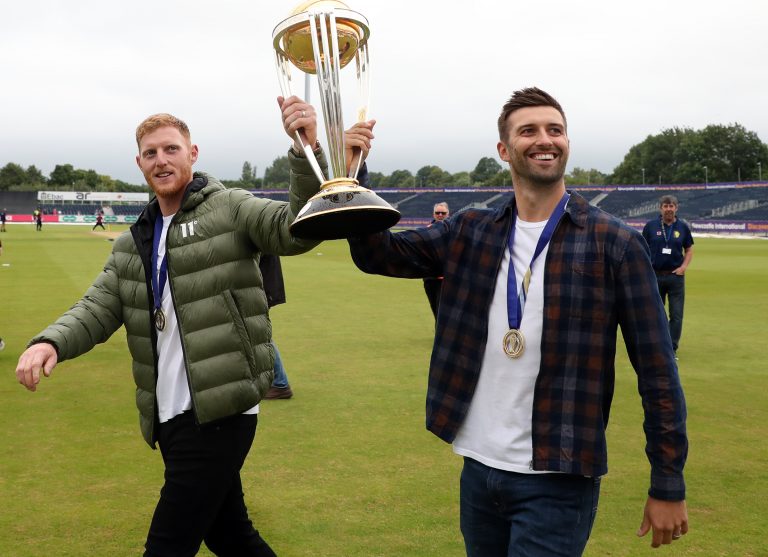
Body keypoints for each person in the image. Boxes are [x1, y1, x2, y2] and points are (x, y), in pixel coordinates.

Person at [348, 87, 688, 556]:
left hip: (558, 478)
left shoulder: (617, 244)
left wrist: (667, 481)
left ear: (567, 142)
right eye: (528, 131)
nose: (544, 140)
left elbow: (657, 371)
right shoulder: (472, 229)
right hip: (479, 469)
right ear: (505, 150)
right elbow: (378, 253)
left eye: (555, 130)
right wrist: (351, 171)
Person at [15, 95, 332, 557]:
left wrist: (306, 151)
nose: (161, 160)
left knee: (166, 547)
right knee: (230, 535)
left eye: (170, 149)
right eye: (150, 153)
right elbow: (100, 305)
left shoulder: (231, 208)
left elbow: (297, 229)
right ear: (140, 163)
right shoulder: (135, 238)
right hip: (168, 416)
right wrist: (51, 342)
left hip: (220, 410)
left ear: (193, 153)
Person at [642, 196, 694, 356]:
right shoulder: (651, 226)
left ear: (676, 208)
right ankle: (655, 345)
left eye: (671, 206)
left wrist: (683, 267)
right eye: (666, 206)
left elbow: (689, 249)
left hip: (675, 277)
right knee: (654, 313)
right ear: (660, 208)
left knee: (676, 315)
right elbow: (642, 248)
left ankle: (671, 349)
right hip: (655, 276)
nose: (669, 209)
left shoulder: (683, 227)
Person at [259, 254, 293, 400]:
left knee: (260, 334)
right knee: (258, 333)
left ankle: (280, 384)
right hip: (261, 284)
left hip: (261, 285)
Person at [422, 202, 449, 319]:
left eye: (443, 213)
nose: (440, 215)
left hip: (447, 278)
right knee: (435, 307)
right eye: (437, 213)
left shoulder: (454, 231)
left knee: (445, 308)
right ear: (433, 214)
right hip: (430, 277)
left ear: (448, 214)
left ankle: (444, 334)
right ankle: (440, 333)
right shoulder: (426, 231)